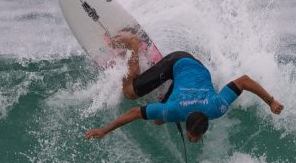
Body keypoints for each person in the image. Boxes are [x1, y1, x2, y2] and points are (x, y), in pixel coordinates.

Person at [84, 34, 283, 142]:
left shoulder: (217, 107)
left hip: (197, 67)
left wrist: (271, 101)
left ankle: (162, 81)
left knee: (160, 120)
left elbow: (245, 81)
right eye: (191, 136)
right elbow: (135, 112)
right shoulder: (174, 111)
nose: (193, 139)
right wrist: (104, 130)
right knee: (129, 93)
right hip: (177, 62)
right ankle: (134, 45)